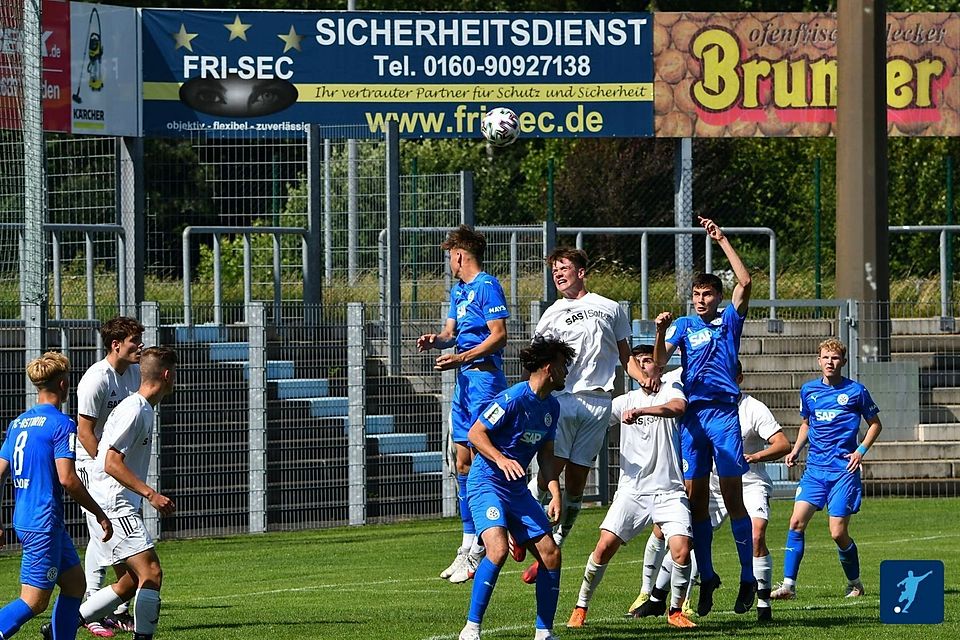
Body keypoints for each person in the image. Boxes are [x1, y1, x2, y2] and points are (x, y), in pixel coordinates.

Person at [653, 215, 756, 616]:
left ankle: (748, 577)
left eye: (707, 294)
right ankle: (709, 575)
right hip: (693, 419)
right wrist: (661, 332)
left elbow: (745, 282)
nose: (701, 300)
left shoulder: (729, 321)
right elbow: (659, 364)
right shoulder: (683, 325)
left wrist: (722, 238)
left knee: (732, 498)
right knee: (695, 503)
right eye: (696, 294)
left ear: (717, 296)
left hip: (724, 416)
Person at [634, 361, 791, 621]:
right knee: (684, 537)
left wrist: (754, 456)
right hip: (713, 485)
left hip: (749, 483)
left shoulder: (753, 408)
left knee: (756, 534)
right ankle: (656, 597)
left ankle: (762, 603)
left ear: (739, 378)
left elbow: (783, 443)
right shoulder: (698, 404)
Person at [522, 248, 641, 584]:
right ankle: (524, 530)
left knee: (576, 483)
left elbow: (625, 355)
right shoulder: (552, 314)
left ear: (581, 271)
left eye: (564, 268)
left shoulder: (609, 307)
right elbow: (538, 364)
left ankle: (555, 545)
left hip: (599, 403)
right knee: (548, 473)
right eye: (555, 270)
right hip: (563, 400)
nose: (559, 274)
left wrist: (643, 376)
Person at [44, 347, 178, 640]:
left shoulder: (140, 408)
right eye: (175, 374)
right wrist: (150, 493)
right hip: (116, 506)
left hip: (113, 503)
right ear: (167, 375)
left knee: (130, 582)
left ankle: (59, 625)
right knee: (151, 573)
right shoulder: (135, 410)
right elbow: (111, 462)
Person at [566, 345, 696, 630]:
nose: (643, 367)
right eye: (637, 363)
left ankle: (675, 611)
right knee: (603, 548)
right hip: (632, 491)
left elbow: (677, 408)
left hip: (669, 490)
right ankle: (581, 607)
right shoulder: (623, 401)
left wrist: (642, 411)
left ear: (659, 367)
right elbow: (595, 421)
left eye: (648, 361)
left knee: (682, 550)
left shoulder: (671, 390)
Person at [457, 336, 573, 640]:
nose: (566, 373)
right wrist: (500, 458)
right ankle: (471, 629)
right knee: (497, 549)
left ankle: (544, 633)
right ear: (549, 369)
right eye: (563, 366)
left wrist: (555, 493)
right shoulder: (512, 399)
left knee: (550, 553)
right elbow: (475, 434)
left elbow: (547, 456)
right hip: (486, 483)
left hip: (516, 491)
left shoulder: (552, 407)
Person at [417, 225, 510, 584]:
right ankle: (469, 542)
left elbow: (499, 337)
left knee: (485, 455)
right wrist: (435, 340)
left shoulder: (487, 286)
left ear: (460, 255)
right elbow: (450, 334)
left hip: (484, 379)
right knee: (462, 459)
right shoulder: (459, 291)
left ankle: (499, 530)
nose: (450, 263)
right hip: (464, 383)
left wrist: (461, 358)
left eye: (450, 256)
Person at [0, 352, 113, 640]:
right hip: (43, 522)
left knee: (75, 585)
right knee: (34, 601)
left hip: (30, 518)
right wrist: (99, 512)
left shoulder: (18, 423)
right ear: (64, 385)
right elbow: (68, 478)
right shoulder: (62, 424)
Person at [771, 338, 882, 600]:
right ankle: (788, 586)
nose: (829, 362)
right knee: (796, 522)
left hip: (843, 471)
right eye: (825, 357)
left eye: (834, 358)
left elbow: (875, 424)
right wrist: (796, 449)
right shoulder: (809, 390)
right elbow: (807, 423)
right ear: (818, 361)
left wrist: (860, 451)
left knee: (837, 532)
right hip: (815, 470)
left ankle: (855, 583)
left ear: (843, 361)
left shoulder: (856, 391)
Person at [76, 316, 144, 636]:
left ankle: (113, 607)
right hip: (91, 464)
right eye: (134, 341)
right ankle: (93, 607)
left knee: (113, 531)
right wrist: (105, 468)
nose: (140, 346)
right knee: (103, 531)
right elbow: (85, 432)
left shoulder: (133, 373)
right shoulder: (95, 379)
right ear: (116, 345)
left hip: (114, 463)